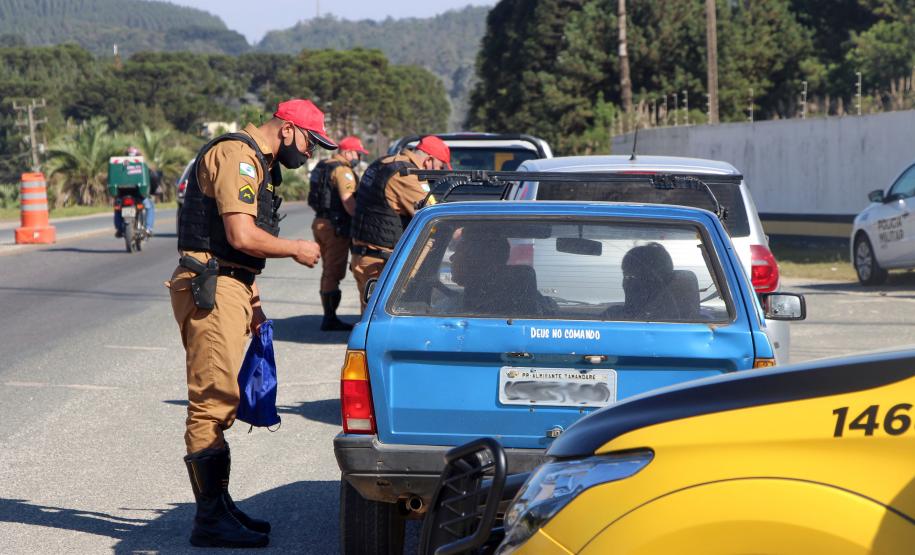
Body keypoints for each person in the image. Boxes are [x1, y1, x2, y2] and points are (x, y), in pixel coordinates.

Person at [166, 98, 333, 548]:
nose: (311, 153)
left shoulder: (258, 162)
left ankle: (219, 506)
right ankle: (209, 520)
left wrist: (255, 303)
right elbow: (240, 235)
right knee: (213, 400)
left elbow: (235, 250)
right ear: (288, 129)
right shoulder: (238, 156)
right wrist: (296, 247)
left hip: (231, 284)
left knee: (223, 397)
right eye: (311, 142)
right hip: (212, 286)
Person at [350, 135, 451, 310]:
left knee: (370, 318)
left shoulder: (382, 163)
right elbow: (434, 215)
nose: (439, 172)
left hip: (365, 255)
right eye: (440, 166)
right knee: (382, 324)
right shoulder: (406, 174)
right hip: (382, 263)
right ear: (429, 160)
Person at [308, 135, 368, 331]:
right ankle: (330, 318)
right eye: (357, 153)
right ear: (348, 152)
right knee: (334, 272)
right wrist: (362, 221)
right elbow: (348, 201)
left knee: (328, 270)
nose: (358, 157)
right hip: (335, 227)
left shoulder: (323, 166)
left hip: (320, 222)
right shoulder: (343, 171)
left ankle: (329, 316)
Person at [114, 146, 158, 237]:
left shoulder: (119, 166)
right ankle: (148, 228)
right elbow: (153, 178)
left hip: (122, 195)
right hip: (139, 195)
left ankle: (119, 228)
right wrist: (153, 191)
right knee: (149, 207)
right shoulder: (142, 166)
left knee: (117, 207)